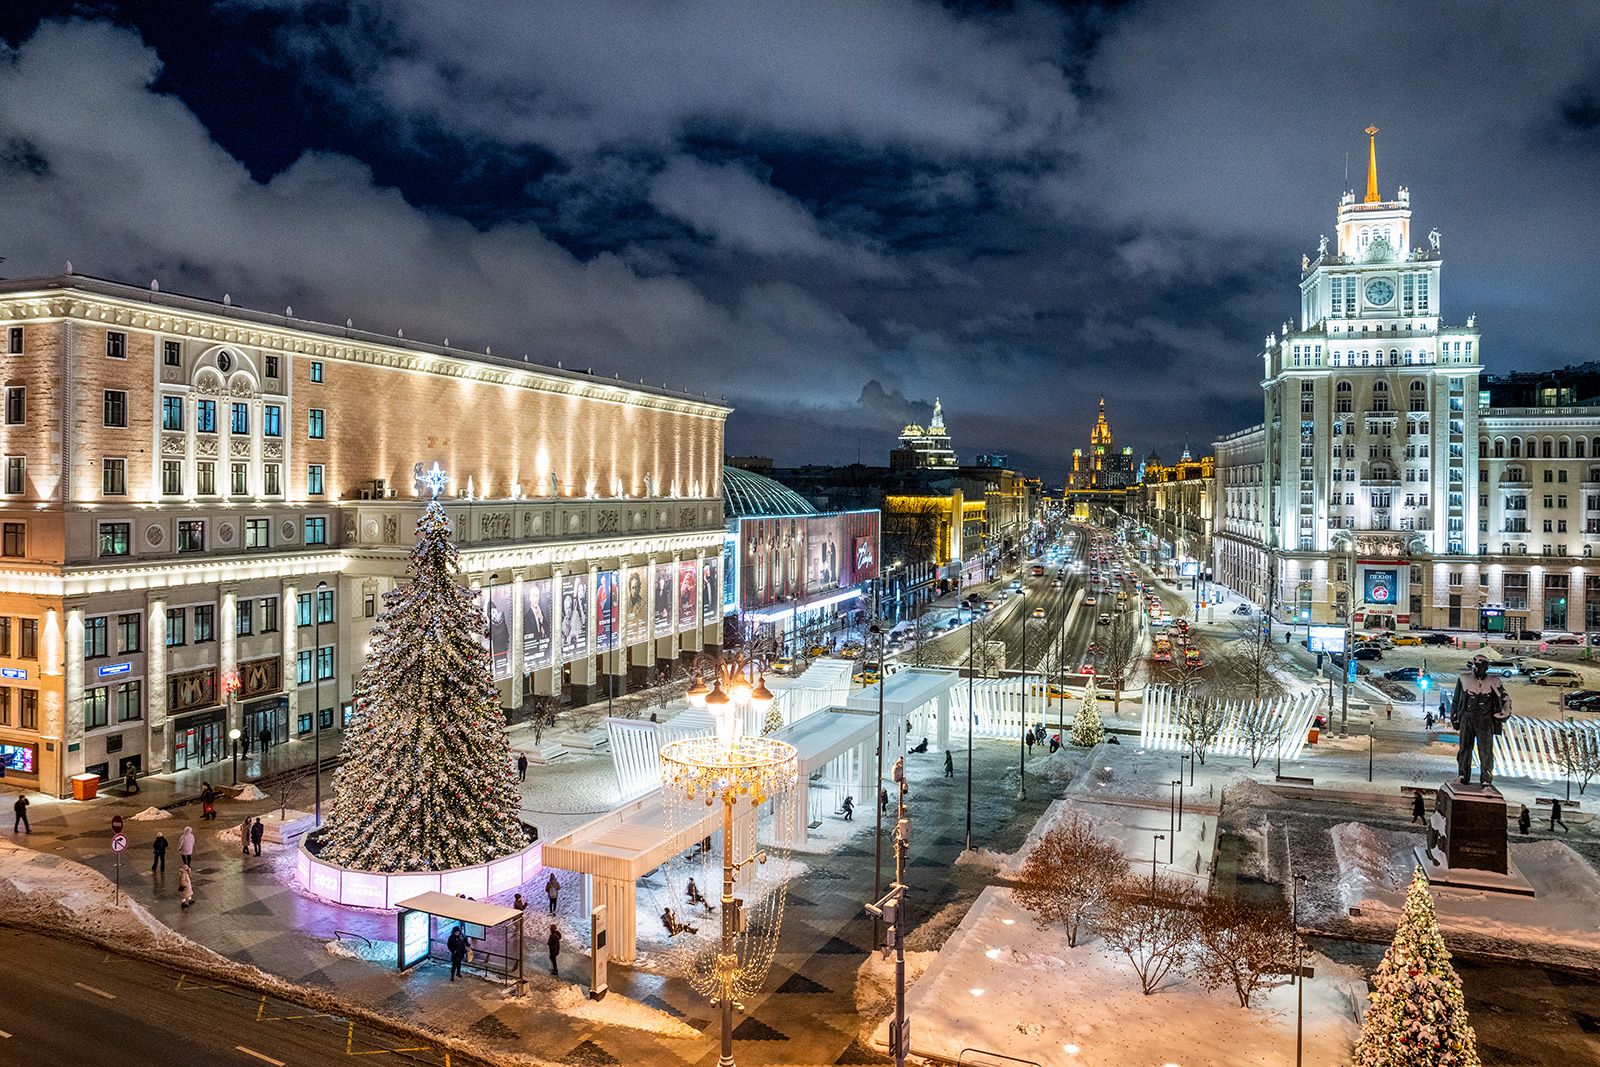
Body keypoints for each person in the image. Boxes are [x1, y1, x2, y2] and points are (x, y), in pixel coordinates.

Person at [1451, 656, 1512, 786]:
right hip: (1467, 719)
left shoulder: (1494, 682)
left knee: (1486, 751)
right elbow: (1456, 701)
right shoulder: (1464, 680)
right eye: (1476, 666)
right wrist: (1454, 718)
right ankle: (1462, 775)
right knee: (1464, 749)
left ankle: (1486, 779)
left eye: (1481, 666)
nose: (1477, 669)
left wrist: (1505, 712)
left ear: (1486, 667)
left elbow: (1506, 699)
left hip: (1485, 721)